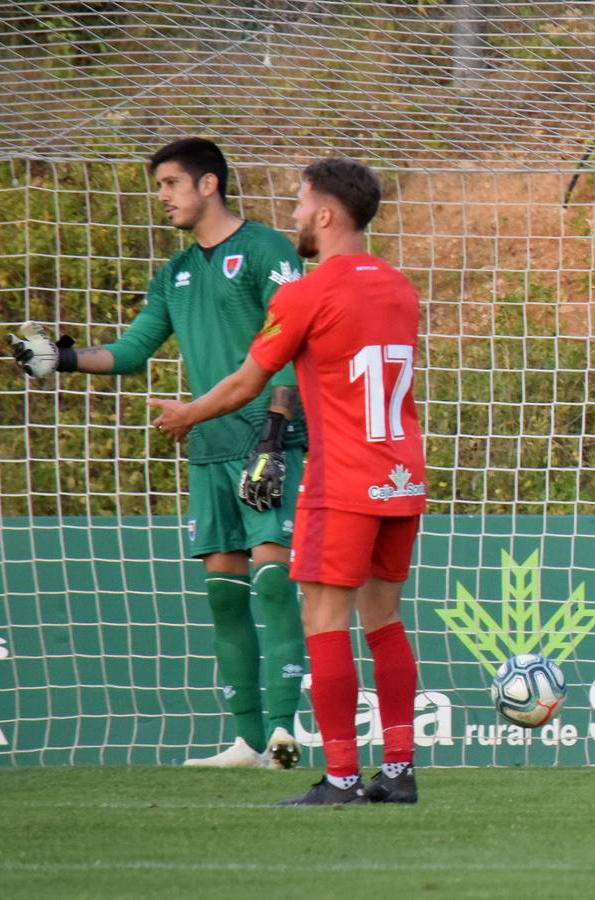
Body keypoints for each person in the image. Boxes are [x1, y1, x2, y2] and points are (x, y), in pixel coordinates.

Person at [5, 138, 308, 770]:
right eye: (160, 186)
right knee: (225, 594)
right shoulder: (174, 275)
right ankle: (248, 742)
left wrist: (278, 436)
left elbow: (292, 343)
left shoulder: (266, 250)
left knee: (275, 581)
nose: (163, 196)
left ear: (208, 184)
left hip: (267, 442)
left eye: (171, 183)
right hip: (209, 447)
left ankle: (284, 730)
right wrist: (60, 358)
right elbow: (135, 349)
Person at [151, 157, 424, 805]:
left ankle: (341, 777)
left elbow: (249, 380)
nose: (294, 215)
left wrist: (188, 413)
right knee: (384, 621)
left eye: (300, 204)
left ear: (327, 214)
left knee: (323, 618)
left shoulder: (306, 292)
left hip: (343, 481)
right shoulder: (399, 286)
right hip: (400, 477)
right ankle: (400, 770)